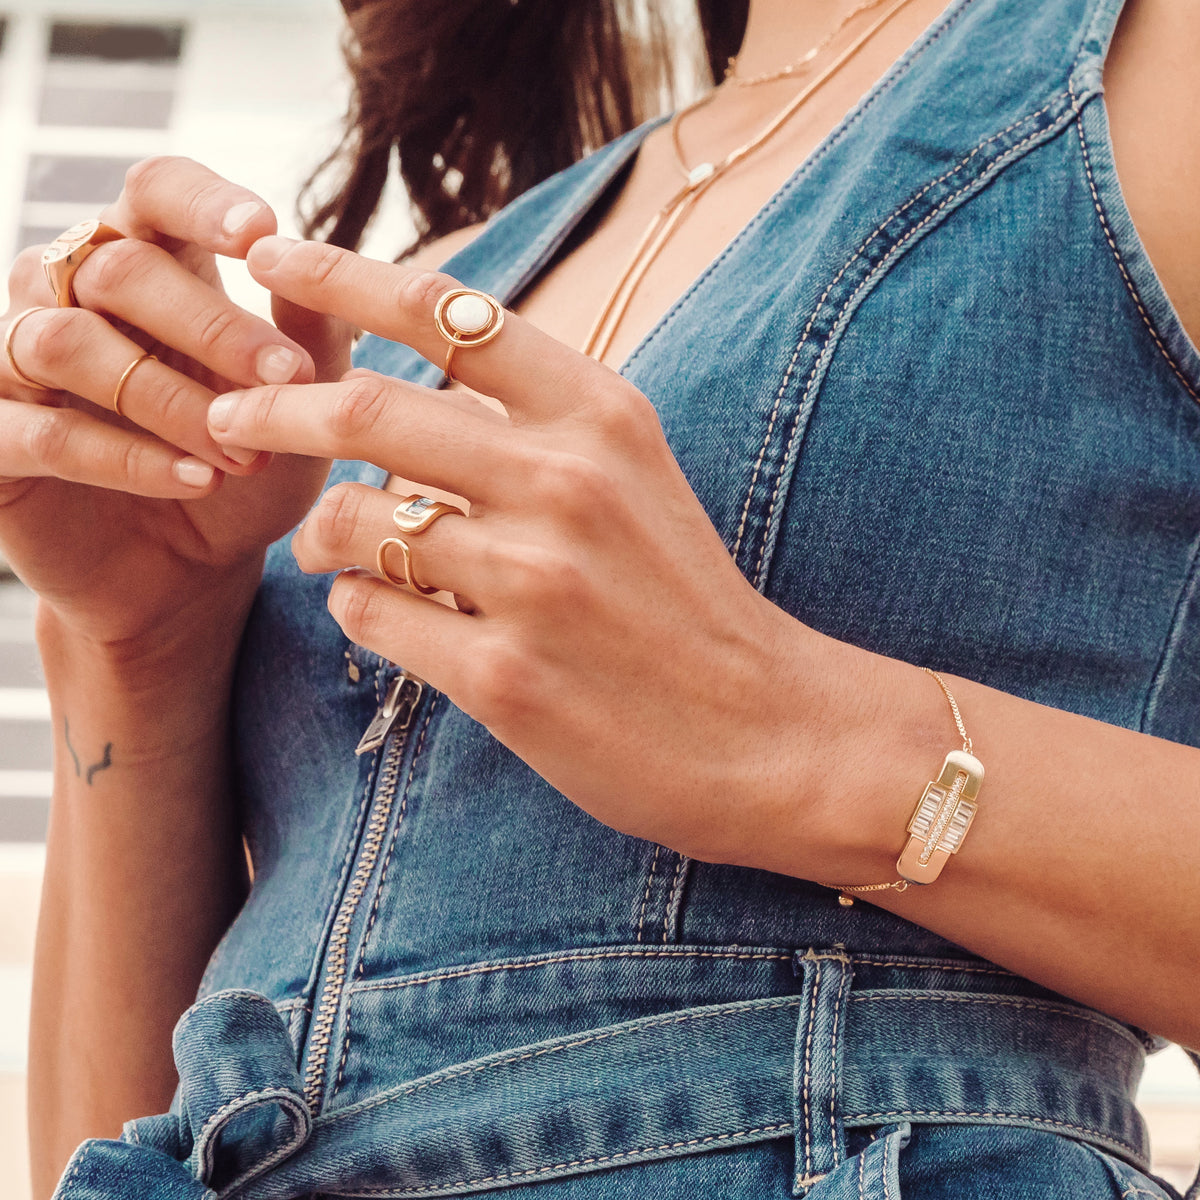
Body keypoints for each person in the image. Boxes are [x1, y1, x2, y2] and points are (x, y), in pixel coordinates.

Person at [5, 0, 1199, 1196]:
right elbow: (117, 1142)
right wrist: (139, 638)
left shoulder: (1153, 77)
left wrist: (803, 739)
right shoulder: (455, 269)